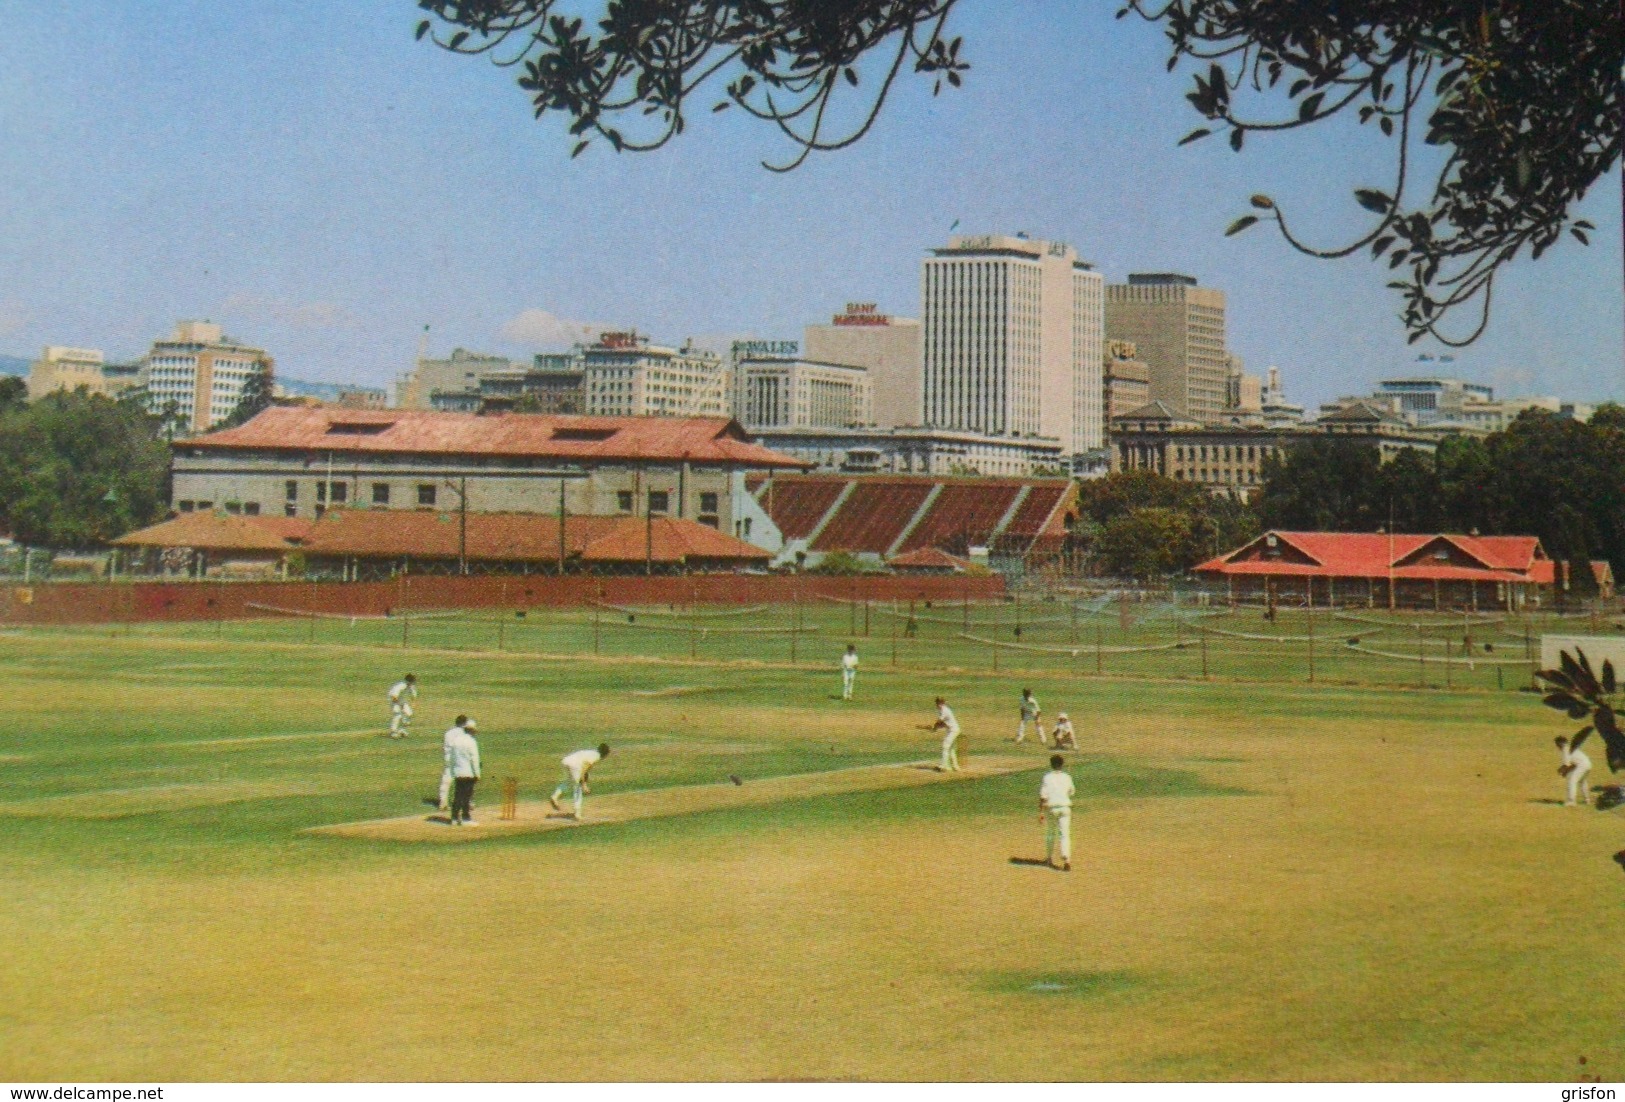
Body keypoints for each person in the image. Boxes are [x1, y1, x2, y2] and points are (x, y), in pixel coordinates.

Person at [551, 743, 611, 821]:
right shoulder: (596, 756)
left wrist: (583, 779)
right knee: (577, 787)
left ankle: (555, 796)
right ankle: (577, 814)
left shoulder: (592, 753)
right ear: (604, 754)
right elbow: (584, 769)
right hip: (575, 765)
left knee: (569, 782)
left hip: (566, 761)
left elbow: (585, 771)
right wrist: (584, 785)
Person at [1039, 753, 1075, 871]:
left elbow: (1043, 796)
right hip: (1065, 807)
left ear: (1051, 764)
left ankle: (1049, 858)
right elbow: (1071, 792)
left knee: (1050, 833)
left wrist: (1041, 812)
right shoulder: (1067, 777)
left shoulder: (1047, 777)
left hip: (1052, 808)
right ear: (1062, 765)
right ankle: (1067, 859)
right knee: (1064, 834)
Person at [444, 717, 481, 826]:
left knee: (458, 795)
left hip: (458, 772)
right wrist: (477, 774)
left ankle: (454, 818)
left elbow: (452, 757)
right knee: (466, 796)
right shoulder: (471, 742)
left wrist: (452, 771)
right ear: (471, 730)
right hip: (469, 773)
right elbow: (474, 759)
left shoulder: (456, 741)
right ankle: (466, 818)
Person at [438, 715, 469, 811]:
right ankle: (466, 803)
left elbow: (446, 747)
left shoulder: (448, 733)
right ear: (464, 723)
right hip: (461, 760)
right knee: (465, 781)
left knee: (446, 781)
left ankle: (443, 803)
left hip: (449, 759)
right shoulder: (465, 733)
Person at [1557, 734, 1592, 807]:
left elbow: (1567, 764)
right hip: (1588, 764)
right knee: (1582, 781)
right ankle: (1587, 800)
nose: (1557, 747)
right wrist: (1565, 771)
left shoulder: (1565, 749)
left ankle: (1571, 801)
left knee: (1572, 781)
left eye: (1558, 744)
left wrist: (1562, 770)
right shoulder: (1570, 747)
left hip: (1582, 765)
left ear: (1561, 743)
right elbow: (1573, 764)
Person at [931, 697, 961, 773]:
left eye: (939, 703)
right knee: (951, 748)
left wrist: (934, 727)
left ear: (942, 703)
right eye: (937, 703)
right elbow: (944, 724)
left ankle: (944, 766)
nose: (938, 705)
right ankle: (955, 767)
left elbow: (939, 721)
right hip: (952, 730)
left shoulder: (945, 710)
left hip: (953, 730)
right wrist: (936, 728)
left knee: (945, 745)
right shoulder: (942, 710)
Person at [387, 674, 418, 738]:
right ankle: (393, 732)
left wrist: (413, 704)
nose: (413, 683)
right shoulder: (400, 686)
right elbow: (394, 696)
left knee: (409, 714)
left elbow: (413, 696)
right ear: (407, 681)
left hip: (402, 700)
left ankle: (402, 730)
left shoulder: (411, 686)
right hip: (393, 700)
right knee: (398, 714)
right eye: (412, 681)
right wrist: (400, 706)